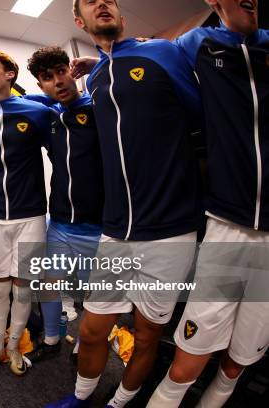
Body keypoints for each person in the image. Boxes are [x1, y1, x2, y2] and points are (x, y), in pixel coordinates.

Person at [46, 1, 202, 407]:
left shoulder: (161, 52)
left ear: (120, 14)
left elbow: (199, 115)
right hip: (115, 230)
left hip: (170, 227)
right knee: (92, 330)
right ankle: (81, 398)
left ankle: (120, 402)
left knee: (148, 334)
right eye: (91, 1)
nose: (103, 2)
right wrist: (86, 67)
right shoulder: (96, 75)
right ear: (80, 22)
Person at [147, 1, 269, 406]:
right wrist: (100, 60)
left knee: (239, 362)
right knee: (187, 363)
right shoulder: (196, 43)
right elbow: (143, 55)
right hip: (228, 226)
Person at [0, 48, 51, 377]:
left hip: (30, 215)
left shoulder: (37, 111)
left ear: (10, 75)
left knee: (24, 287)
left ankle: (15, 346)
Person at [24, 46, 103, 364]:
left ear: (74, 72)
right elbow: (11, 101)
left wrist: (97, 63)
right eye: (47, 77)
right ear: (40, 85)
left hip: (97, 226)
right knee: (50, 284)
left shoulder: (100, 108)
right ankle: (53, 338)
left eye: (62, 71)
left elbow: (125, 80)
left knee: (93, 295)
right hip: (58, 222)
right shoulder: (49, 115)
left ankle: (86, 342)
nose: (58, 81)